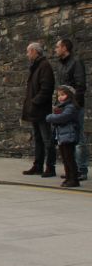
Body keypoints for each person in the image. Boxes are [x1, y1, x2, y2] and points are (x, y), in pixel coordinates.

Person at [22, 42, 56, 177]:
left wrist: (35, 102)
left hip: (41, 109)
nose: (27, 54)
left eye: (28, 52)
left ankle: (50, 166)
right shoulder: (36, 66)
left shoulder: (44, 66)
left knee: (47, 139)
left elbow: (46, 89)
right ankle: (38, 165)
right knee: (38, 139)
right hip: (35, 109)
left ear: (35, 51)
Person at [55, 39, 88, 180]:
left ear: (64, 48)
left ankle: (81, 170)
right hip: (64, 105)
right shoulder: (61, 65)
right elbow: (60, 87)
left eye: (57, 47)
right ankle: (72, 170)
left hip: (75, 106)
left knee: (79, 138)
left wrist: (73, 103)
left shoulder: (76, 62)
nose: (55, 49)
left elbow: (80, 86)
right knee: (67, 139)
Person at [47, 85, 81, 188]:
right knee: (65, 159)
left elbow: (63, 118)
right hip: (62, 136)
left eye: (63, 95)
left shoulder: (71, 107)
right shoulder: (62, 107)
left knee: (69, 158)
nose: (60, 97)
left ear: (69, 95)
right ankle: (68, 177)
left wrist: (50, 117)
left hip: (69, 136)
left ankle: (73, 179)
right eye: (59, 95)